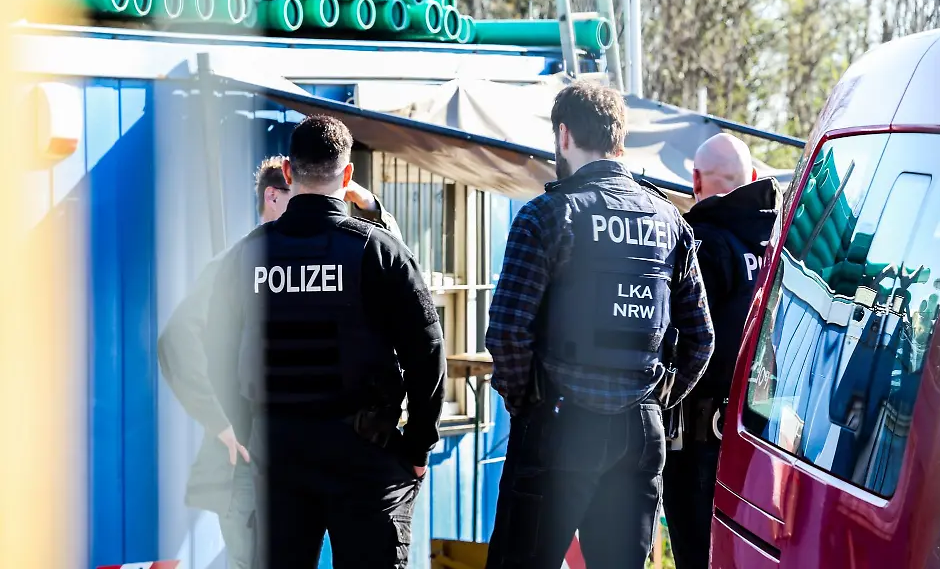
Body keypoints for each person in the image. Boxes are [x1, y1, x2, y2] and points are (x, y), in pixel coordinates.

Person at [484, 81, 715, 569]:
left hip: (559, 422)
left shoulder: (546, 215)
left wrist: (529, 403)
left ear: (563, 135)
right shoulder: (669, 220)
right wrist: (656, 398)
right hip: (639, 431)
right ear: (619, 140)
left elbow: (506, 331)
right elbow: (700, 338)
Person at [206, 115, 446, 569]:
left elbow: (217, 353)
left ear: (288, 171)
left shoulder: (246, 255)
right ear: (348, 174)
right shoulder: (379, 251)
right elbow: (427, 353)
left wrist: (247, 430)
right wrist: (417, 448)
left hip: (277, 457)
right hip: (365, 456)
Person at [157, 155, 401, 569]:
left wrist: (370, 206)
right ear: (273, 197)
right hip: (250, 470)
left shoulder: (317, 261)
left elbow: (396, 268)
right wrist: (221, 423)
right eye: (303, 193)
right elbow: (175, 342)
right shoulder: (239, 263)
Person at [661, 132, 779, 569]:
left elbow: (678, 338)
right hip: (768, 439)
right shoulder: (781, 245)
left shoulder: (700, 246)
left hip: (700, 444)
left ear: (695, 180)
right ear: (753, 177)